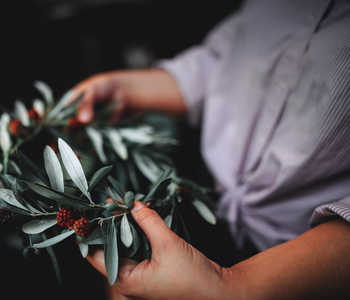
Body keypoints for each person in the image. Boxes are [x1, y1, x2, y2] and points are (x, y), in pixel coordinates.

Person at [69, 0, 350, 298]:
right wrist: (125, 87)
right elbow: (227, 58)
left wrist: (235, 287)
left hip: (307, 265)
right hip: (211, 201)